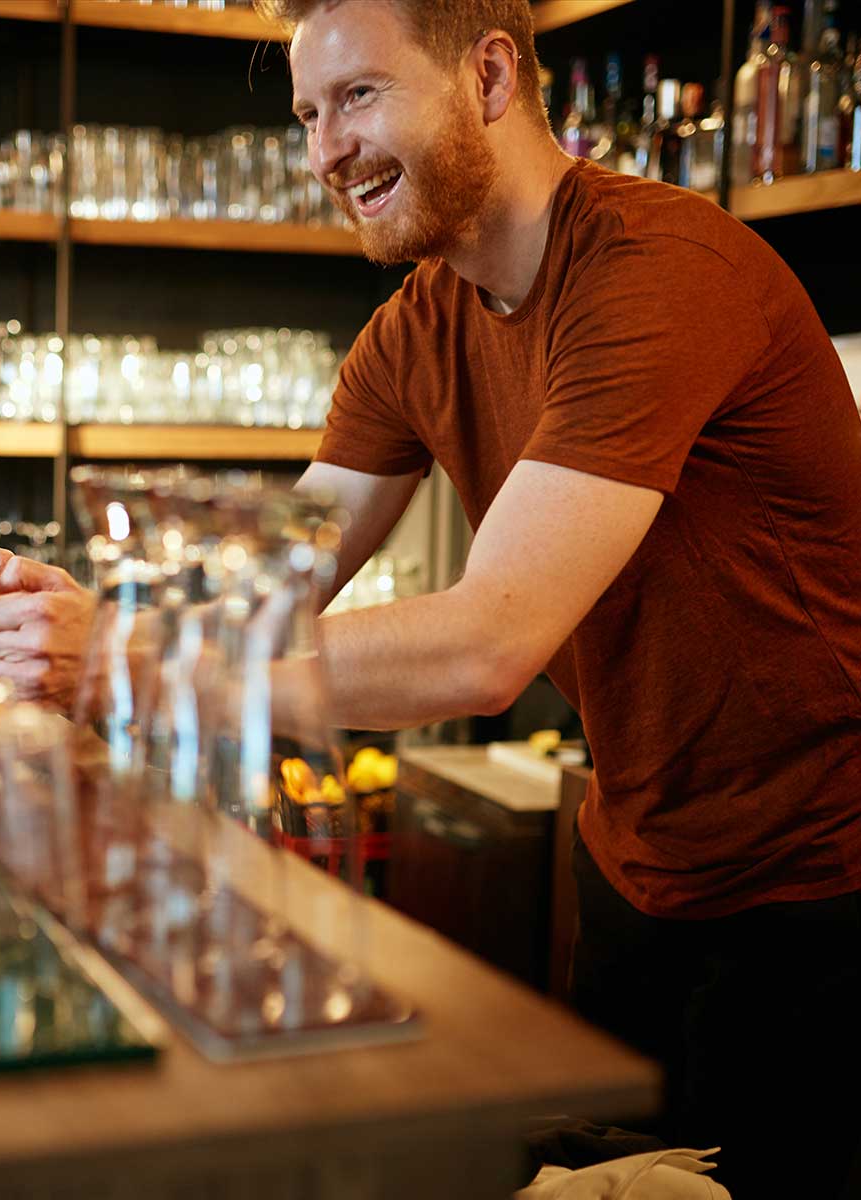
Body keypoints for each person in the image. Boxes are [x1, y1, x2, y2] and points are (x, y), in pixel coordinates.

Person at [227, 1, 861, 1195]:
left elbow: (486, 647)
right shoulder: (413, 331)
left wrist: (146, 665)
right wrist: (86, 613)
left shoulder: (659, 269)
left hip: (825, 890)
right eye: (308, 115)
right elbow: (266, 589)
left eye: (359, 96)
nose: (326, 151)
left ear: (489, 76)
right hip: (634, 867)